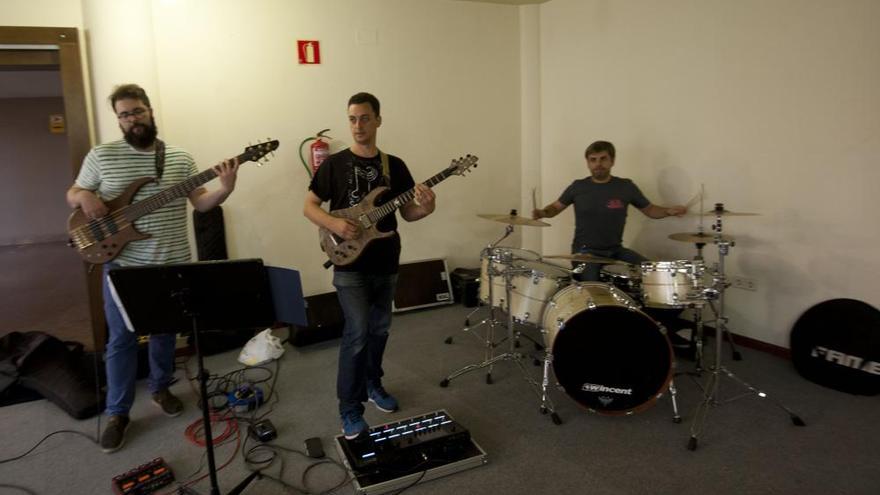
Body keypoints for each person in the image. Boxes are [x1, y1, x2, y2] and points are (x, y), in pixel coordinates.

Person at [66, 84, 240, 453]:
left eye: (137, 111)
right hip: (123, 265)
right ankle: (118, 413)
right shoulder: (102, 155)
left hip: (171, 262)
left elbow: (202, 203)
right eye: (124, 114)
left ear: (150, 111)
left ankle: (161, 389)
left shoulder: (179, 158)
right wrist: (85, 196)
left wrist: (224, 188)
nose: (132, 119)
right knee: (121, 340)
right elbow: (73, 192)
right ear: (118, 119)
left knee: (164, 334)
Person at [303, 92, 436, 440]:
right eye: (352, 119)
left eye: (364, 118)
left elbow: (408, 212)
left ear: (378, 120)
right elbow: (310, 206)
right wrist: (333, 224)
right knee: (357, 332)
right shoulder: (334, 164)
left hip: (386, 260)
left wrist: (427, 207)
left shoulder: (396, 166)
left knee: (379, 330)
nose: (358, 125)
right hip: (349, 263)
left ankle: (373, 384)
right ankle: (349, 408)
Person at [532, 140, 687, 281]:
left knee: (652, 272)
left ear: (612, 161)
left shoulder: (626, 187)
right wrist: (543, 213)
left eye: (603, 159)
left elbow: (650, 210)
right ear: (587, 163)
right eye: (593, 160)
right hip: (584, 253)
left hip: (615, 250)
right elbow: (555, 207)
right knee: (593, 288)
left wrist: (668, 211)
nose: (598, 164)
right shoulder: (578, 187)